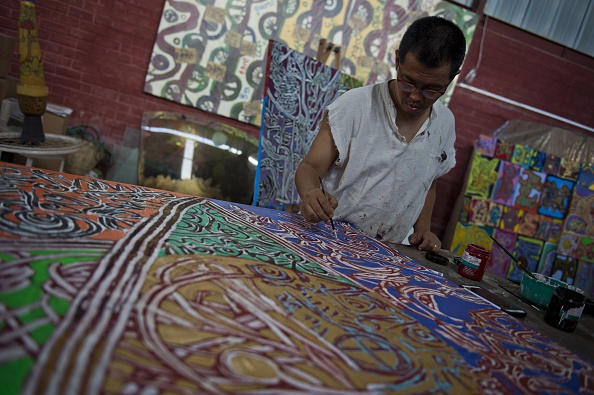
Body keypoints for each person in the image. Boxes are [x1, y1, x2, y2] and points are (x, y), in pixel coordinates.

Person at [295, 16, 466, 252]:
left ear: (453, 77)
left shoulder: (445, 123)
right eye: (408, 82)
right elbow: (310, 167)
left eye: (432, 89)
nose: (416, 96)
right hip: (326, 238)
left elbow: (428, 182)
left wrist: (423, 230)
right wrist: (311, 193)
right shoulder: (355, 106)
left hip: (386, 252)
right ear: (397, 61)